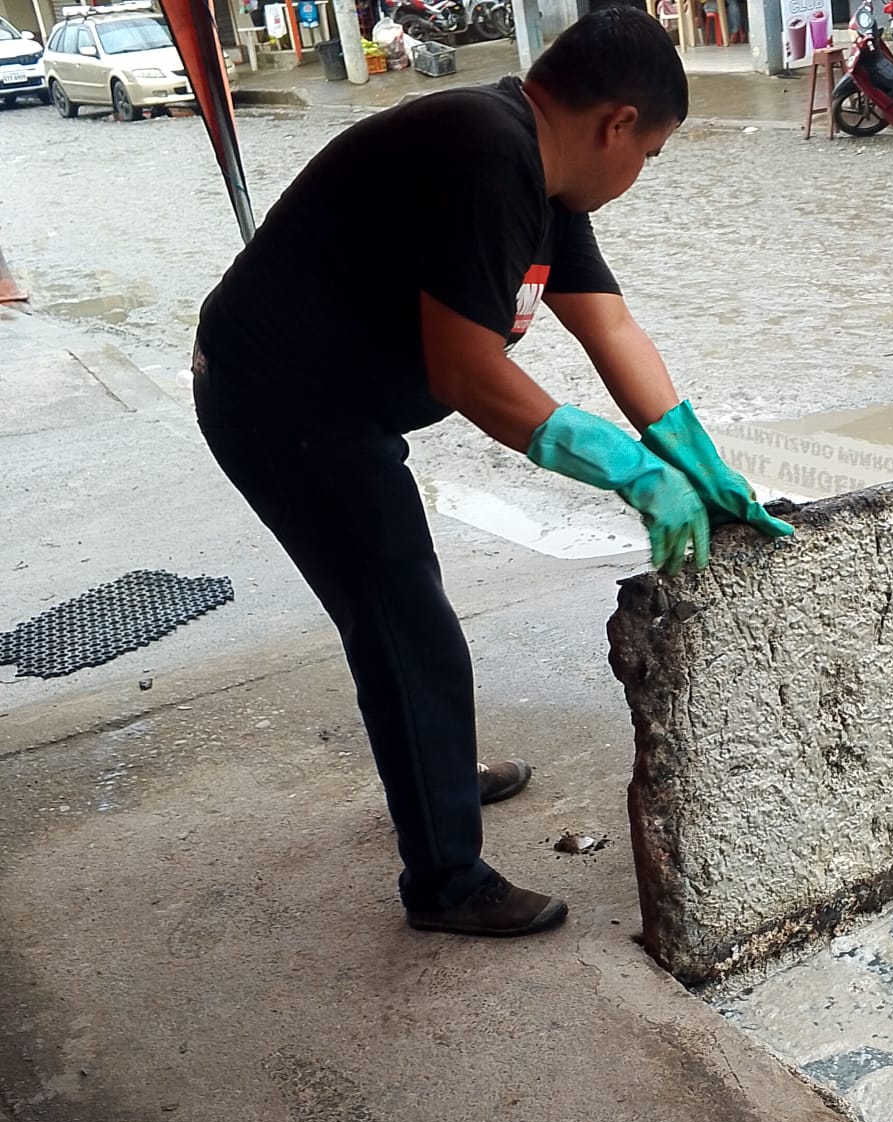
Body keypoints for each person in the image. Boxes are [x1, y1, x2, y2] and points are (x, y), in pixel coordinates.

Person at [192, 8, 790, 940]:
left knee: (405, 610)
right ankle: (444, 881)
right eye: (650, 154)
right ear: (618, 123)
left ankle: (433, 773)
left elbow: (610, 327)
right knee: (405, 624)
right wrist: (633, 472)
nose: (639, 175)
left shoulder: (546, 181)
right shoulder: (482, 149)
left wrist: (693, 456)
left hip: (340, 406)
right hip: (281, 406)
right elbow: (466, 373)